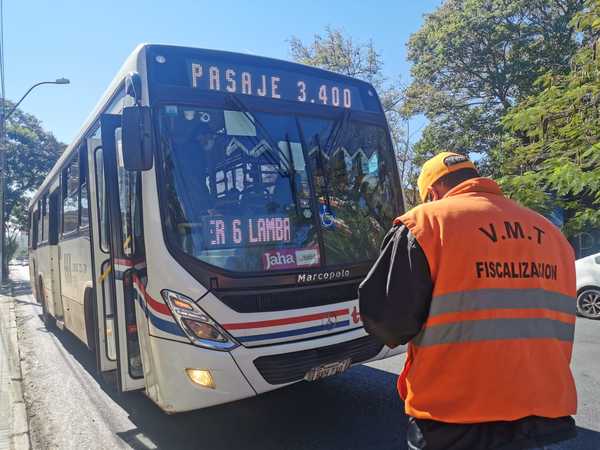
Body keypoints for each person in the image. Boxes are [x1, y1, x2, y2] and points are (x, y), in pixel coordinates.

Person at [359, 152, 577, 450]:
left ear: (433, 192)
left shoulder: (426, 224)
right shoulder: (552, 235)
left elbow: (388, 322)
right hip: (537, 411)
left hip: (453, 413)